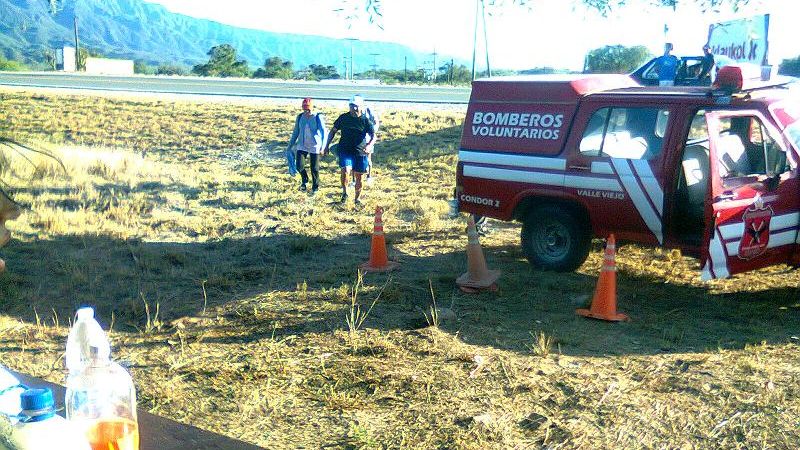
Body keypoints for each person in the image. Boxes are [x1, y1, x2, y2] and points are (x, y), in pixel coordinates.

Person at [324, 95, 375, 205]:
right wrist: (326, 145)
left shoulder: (365, 121)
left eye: (356, 106)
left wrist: (369, 145)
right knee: (346, 170)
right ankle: (345, 193)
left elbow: (373, 135)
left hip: (360, 152)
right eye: (352, 106)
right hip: (345, 150)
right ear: (349, 106)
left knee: (359, 177)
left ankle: (357, 199)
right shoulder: (343, 118)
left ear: (361, 107)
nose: (354, 109)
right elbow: (333, 131)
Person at [286, 97, 327, 194]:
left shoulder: (317, 117)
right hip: (302, 145)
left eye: (308, 109)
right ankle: (305, 180)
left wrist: (323, 146)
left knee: (314, 168)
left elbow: (324, 132)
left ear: (312, 108)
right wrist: (290, 145)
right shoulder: (300, 117)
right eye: (304, 109)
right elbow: (296, 131)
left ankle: (315, 187)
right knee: (299, 166)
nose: (306, 111)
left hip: (315, 145)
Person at [361, 98, 380, 184]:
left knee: (368, 158)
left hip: (368, 139)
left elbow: (376, 123)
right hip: (358, 139)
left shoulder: (369, 111)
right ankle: (354, 180)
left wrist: (372, 132)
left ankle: (369, 176)